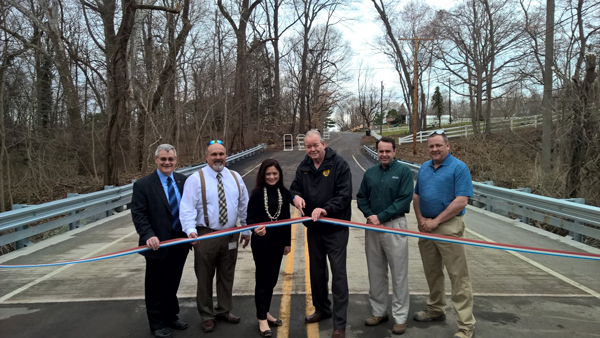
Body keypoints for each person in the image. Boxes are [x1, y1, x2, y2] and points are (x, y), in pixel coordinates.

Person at [179, 139, 251, 333]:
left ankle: (224, 310)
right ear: (206, 157)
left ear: (226, 156)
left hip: (230, 235)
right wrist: (190, 230)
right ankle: (207, 314)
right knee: (204, 277)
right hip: (205, 235)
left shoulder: (235, 177)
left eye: (221, 154)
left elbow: (244, 205)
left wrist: (245, 229)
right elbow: (186, 208)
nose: (218, 158)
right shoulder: (196, 179)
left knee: (227, 274)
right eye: (214, 154)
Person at [412, 131, 475, 338]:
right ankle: (436, 308)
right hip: (426, 226)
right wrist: (421, 220)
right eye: (431, 146)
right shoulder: (424, 168)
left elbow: (461, 200)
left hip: (449, 226)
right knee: (432, 272)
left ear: (448, 146)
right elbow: (417, 195)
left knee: (458, 276)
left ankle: (466, 326)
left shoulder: (459, 168)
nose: (434, 149)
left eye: (438, 145)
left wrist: (436, 221)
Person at [290, 130, 352, 338]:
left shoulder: (339, 164)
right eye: (308, 147)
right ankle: (322, 309)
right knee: (317, 273)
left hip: (335, 228)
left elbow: (344, 195)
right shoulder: (304, 165)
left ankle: (339, 323)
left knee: (338, 275)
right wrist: (296, 198)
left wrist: (326, 209)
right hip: (313, 228)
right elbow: (294, 188)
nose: (312, 150)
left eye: (315, 145)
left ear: (323, 143)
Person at [131, 144, 190, 338]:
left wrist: (192, 232)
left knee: (172, 282)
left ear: (175, 160)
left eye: (170, 159)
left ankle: (171, 316)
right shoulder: (144, 185)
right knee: (156, 285)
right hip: (157, 244)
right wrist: (148, 235)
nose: (167, 162)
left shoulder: (184, 181)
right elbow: (139, 214)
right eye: (163, 159)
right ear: (156, 160)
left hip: (179, 243)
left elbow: (191, 209)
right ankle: (157, 323)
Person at [356, 136, 414, 335]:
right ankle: (379, 311)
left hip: (395, 225)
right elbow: (361, 196)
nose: (384, 154)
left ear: (394, 151)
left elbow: (404, 200)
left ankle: (400, 317)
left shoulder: (403, 172)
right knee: (376, 271)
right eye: (381, 151)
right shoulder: (370, 173)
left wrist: (380, 216)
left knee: (399, 274)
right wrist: (370, 216)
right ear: (377, 151)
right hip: (373, 227)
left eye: (388, 151)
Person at [246, 159, 293, 337]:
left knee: (272, 280)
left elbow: (288, 218)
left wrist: (287, 242)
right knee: (263, 280)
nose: (272, 177)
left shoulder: (283, 192)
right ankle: (261, 319)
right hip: (261, 243)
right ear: (262, 175)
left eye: (275, 173)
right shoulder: (257, 194)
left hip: (278, 243)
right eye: (268, 174)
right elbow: (249, 219)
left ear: (279, 174)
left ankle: (265, 312)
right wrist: (255, 229)